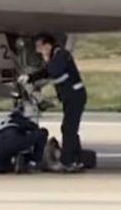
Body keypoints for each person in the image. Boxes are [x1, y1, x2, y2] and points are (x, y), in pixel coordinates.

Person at [22, 33, 87, 168]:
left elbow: (54, 71)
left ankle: (68, 161)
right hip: (70, 97)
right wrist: (29, 77)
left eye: (39, 47)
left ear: (47, 45)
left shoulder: (60, 55)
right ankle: (76, 157)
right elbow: (45, 72)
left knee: (68, 128)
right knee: (70, 128)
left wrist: (46, 58)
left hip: (75, 96)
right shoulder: (56, 56)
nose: (37, 50)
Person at [0, 108, 49, 173]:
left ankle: (5, 164)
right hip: (13, 142)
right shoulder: (19, 120)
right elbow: (34, 128)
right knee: (42, 133)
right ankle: (33, 162)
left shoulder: (1, 124)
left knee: (2, 168)